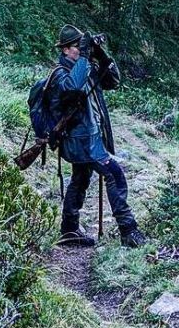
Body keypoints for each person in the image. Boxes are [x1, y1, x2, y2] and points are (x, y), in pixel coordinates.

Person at [49, 24, 147, 248]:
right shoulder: (61, 74)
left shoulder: (86, 68)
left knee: (81, 178)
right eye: (76, 47)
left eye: (80, 47)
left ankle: (69, 229)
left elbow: (112, 81)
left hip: (91, 138)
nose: (80, 50)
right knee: (115, 174)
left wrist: (101, 55)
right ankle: (129, 231)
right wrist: (84, 56)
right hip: (79, 140)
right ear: (65, 50)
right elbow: (73, 87)